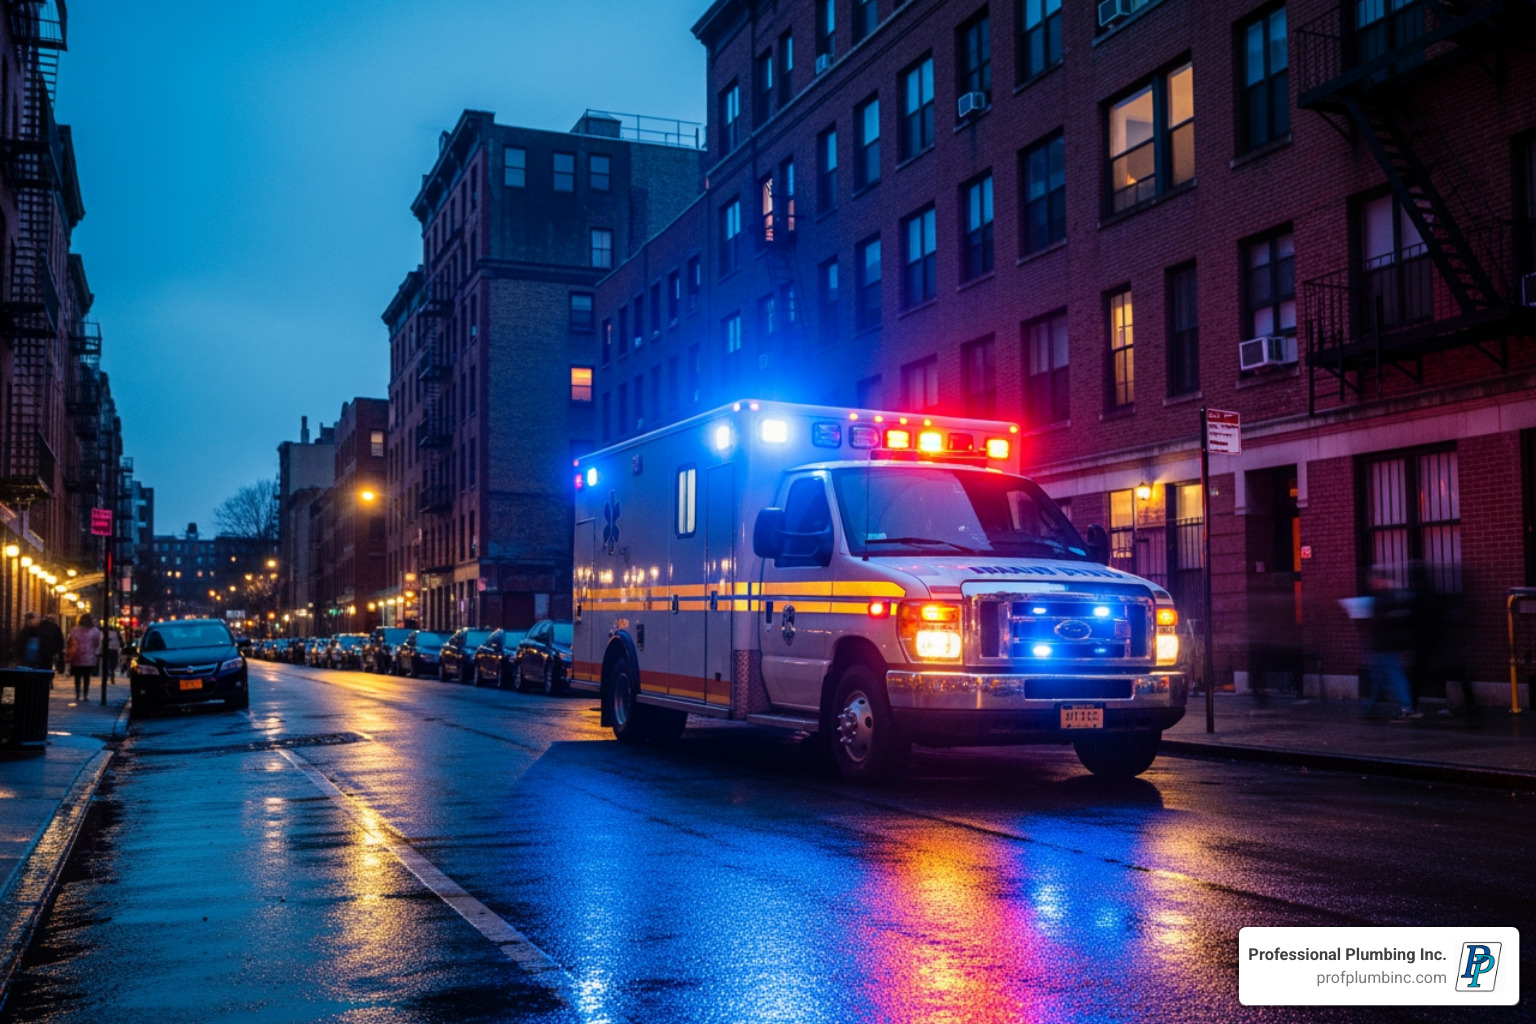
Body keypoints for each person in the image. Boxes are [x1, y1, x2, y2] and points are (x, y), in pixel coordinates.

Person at [1366, 569, 1420, 721]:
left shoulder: (1384, 598)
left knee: (1393, 674)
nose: (1372, 582)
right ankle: (1371, 706)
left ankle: (1405, 706)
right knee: (1381, 675)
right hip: (1387, 643)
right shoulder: (1392, 596)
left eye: (1375, 580)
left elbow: (1383, 621)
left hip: (1385, 643)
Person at [66, 614, 102, 704]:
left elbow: (70, 641)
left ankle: (77, 693)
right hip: (89, 657)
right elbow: (98, 643)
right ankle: (85, 694)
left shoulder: (75, 630)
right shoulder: (95, 631)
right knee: (86, 677)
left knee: (77, 677)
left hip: (77, 655)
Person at [100, 623, 124, 703]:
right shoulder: (116, 633)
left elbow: (102, 641)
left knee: (107, 663)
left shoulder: (105, 633)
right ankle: (111, 676)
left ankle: (108, 676)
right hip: (114, 649)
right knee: (113, 664)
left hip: (108, 649)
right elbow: (121, 641)